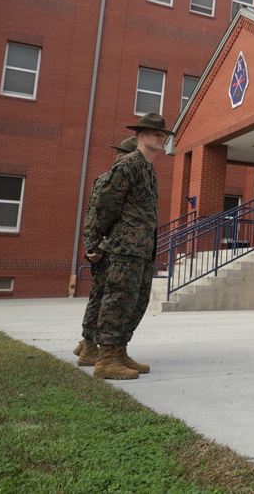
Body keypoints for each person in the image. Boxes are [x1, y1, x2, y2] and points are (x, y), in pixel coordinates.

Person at [91, 113, 172, 380]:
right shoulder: (129, 164)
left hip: (143, 249)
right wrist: (108, 237)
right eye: (156, 133)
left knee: (136, 302)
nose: (161, 137)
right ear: (141, 136)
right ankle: (105, 359)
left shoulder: (148, 169)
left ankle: (119, 352)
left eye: (163, 134)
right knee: (118, 300)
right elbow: (106, 204)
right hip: (125, 248)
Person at [72, 136, 138, 366]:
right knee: (102, 297)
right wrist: (98, 247)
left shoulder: (103, 178)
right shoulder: (112, 180)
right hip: (108, 247)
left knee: (100, 296)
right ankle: (89, 345)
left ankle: (87, 343)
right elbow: (102, 217)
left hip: (103, 245)